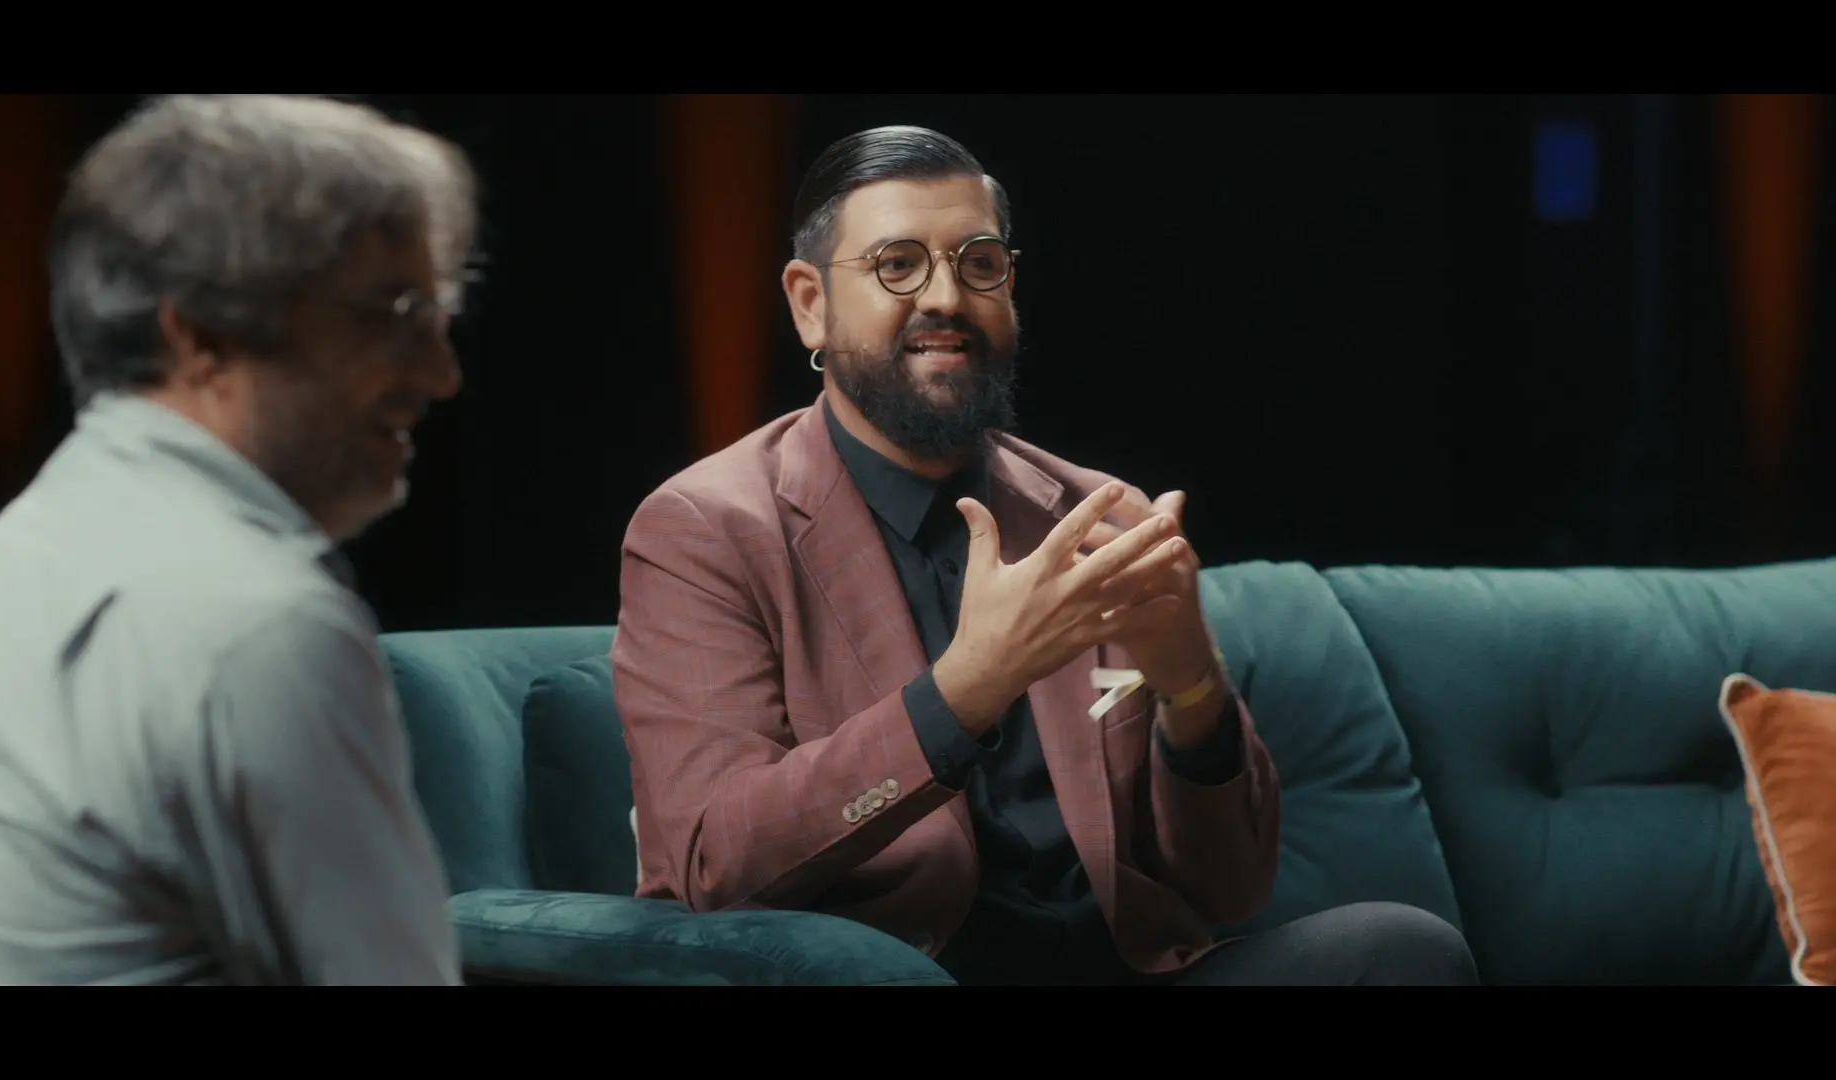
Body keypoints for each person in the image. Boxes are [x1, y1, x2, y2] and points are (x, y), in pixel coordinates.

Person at [613, 125, 1479, 985]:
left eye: (980, 264)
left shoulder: (1097, 515)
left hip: (1119, 968)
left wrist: (1191, 685)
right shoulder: (705, 528)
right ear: (811, 302)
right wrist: (965, 692)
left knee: (1400, 949)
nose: (946, 296)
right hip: (910, 975)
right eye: (897, 265)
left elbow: (1229, 888)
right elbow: (711, 863)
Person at [0, 95, 476, 985]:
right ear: (204, 336)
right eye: (392, 315)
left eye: (438, 315)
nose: (442, 374)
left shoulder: (25, 544)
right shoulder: (259, 623)